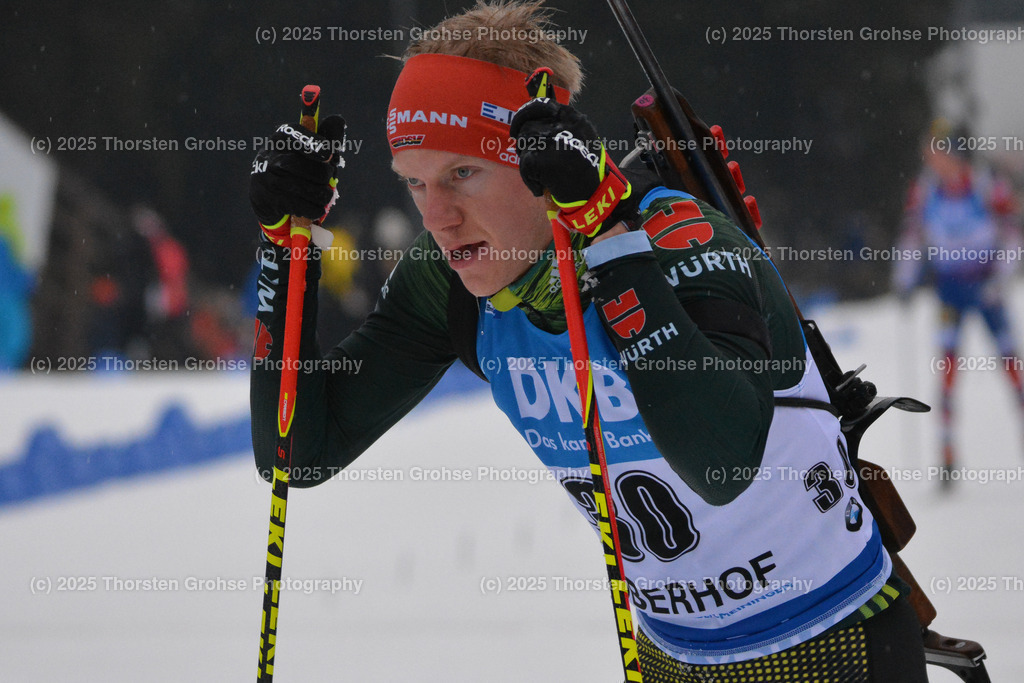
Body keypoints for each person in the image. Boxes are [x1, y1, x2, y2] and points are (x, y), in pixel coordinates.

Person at [248, 2, 928, 679]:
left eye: (463, 174)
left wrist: (607, 240)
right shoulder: (451, 279)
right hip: (674, 656)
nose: (440, 217)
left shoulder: (682, 243)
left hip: (833, 642)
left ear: (541, 162)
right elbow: (298, 453)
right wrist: (288, 256)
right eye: (416, 183)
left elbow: (721, 460)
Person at [895, 118, 1024, 479]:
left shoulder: (985, 184)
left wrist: (999, 278)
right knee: (948, 368)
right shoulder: (925, 189)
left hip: (985, 287)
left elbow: (1013, 235)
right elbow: (912, 236)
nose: (930, 158)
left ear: (953, 152)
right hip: (950, 289)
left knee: (1010, 363)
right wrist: (904, 279)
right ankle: (947, 452)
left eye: (935, 151)